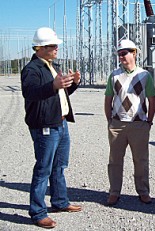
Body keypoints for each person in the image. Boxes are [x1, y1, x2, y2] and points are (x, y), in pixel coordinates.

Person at [21, 27, 82, 229]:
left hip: (60, 122)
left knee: (59, 166)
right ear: (40, 47)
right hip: (45, 125)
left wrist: (73, 84)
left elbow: (58, 94)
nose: (57, 48)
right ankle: (38, 212)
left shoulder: (51, 66)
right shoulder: (32, 69)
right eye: (52, 45)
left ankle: (60, 202)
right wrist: (53, 86)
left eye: (56, 45)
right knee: (43, 169)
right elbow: (30, 93)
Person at [104, 39, 155, 206]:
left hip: (139, 124)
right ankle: (114, 192)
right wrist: (110, 121)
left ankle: (143, 192)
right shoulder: (114, 76)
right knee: (115, 160)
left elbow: (152, 100)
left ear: (134, 53)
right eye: (119, 54)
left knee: (140, 160)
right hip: (118, 124)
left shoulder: (144, 76)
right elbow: (108, 100)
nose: (121, 57)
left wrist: (149, 121)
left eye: (124, 53)